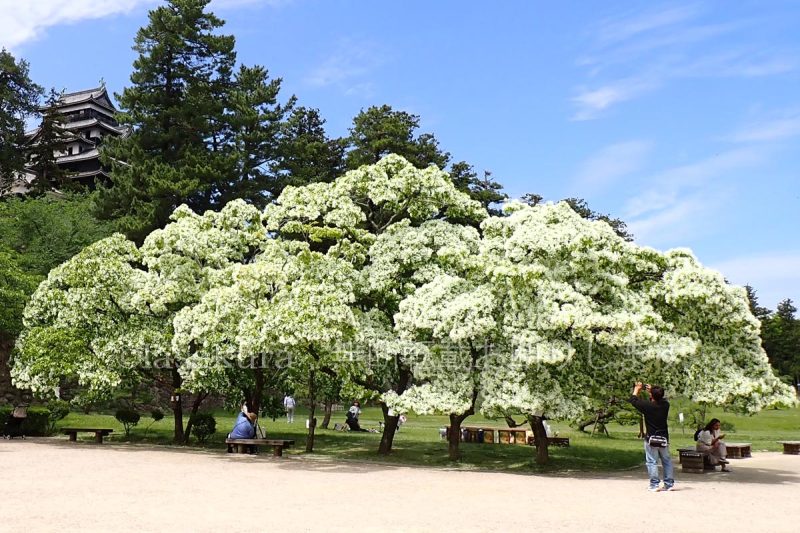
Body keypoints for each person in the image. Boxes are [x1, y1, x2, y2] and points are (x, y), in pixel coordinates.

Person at [628, 382, 674, 492]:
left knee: (652, 461)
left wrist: (637, 388)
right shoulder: (665, 405)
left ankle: (654, 485)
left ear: (651, 396)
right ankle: (668, 484)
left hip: (651, 438)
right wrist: (652, 392)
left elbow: (633, 400)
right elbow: (661, 399)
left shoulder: (647, 406)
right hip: (664, 439)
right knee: (666, 461)